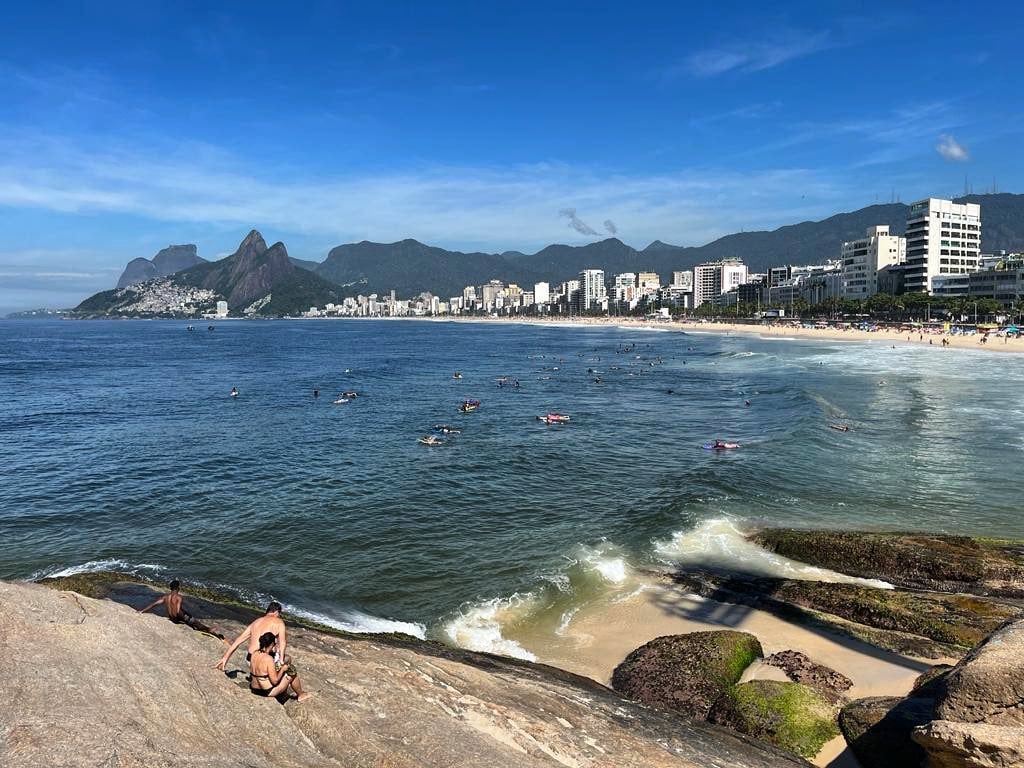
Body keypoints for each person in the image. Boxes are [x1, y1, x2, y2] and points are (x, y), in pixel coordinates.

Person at [215, 601, 287, 671]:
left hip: (250, 660)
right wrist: (281, 660)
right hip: (263, 662)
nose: (279, 616)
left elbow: (238, 640)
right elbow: (282, 642)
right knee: (287, 659)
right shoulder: (279, 622)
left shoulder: (256, 622)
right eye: (279, 614)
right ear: (276, 612)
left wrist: (225, 658)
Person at [138, 580, 224, 639]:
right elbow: (178, 611)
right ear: (178, 588)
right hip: (177, 617)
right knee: (194, 621)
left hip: (171, 617)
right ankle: (208, 629)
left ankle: (196, 625)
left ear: (171, 588)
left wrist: (142, 610)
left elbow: (154, 604)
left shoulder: (165, 597)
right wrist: (186, 619)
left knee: (187, 615)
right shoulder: (179, 597)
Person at [249, 631, 313, 702]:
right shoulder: (268, 659)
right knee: (292, 674)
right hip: (266, 691)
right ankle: (301, 695)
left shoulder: (254, 654)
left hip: (254, 688)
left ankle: (283, 694)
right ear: (272, 644)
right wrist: (282, 669)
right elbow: (275, 682)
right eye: (274, 644)